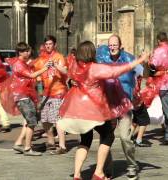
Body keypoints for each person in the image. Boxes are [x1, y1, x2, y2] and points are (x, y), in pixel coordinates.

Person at [58, 41, 148, 180]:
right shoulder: (94, 68)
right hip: (93, 109)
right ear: (91, 53)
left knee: (85, 139)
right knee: (108, 136)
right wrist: (140, 60)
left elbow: (68, 72)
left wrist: (63, 72)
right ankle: (99, 172)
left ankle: (77, 174)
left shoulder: (76, 66)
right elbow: (115, 71)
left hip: (78, 108)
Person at [96, 35, 142, 179]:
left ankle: (132, 166)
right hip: (107, 105)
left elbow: (144, 73)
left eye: (115, 44)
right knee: (105, 137)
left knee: (124, 137)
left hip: (124, 105)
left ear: (120, 46)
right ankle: (108, 168)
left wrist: (146, 64)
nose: (112, 47)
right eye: (110, 45)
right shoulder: (102, 58)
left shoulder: (129, 59)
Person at [1, 42, 50, 156]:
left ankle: (18, 143)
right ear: (20, 52)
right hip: (22, 96)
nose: (29, 53)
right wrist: (45, 68)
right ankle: (28, 148)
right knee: (32, 122)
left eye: (29, 51)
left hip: (24, 95)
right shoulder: (19, 64)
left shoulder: (22, 62)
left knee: (28, 122)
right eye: (26, 51)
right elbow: (31, 75)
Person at [34, 35, 68, 154]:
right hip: (46, 93)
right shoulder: (41, 59)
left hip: (58, 91)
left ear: (55, 45)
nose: (48, 46)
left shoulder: (59, 57)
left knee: (58, 119)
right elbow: (38, 78)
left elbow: (65, 71)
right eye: (46, 44)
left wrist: (55, 65)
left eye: (50, 44)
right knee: (45, 119)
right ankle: (51, 142)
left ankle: (62, 146)